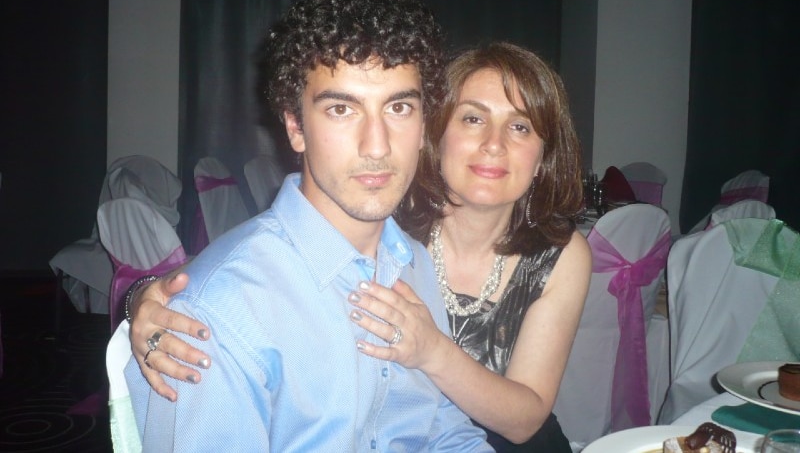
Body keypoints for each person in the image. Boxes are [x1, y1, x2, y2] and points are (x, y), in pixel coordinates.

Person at [130, 42, 592, 451]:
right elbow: (240, 276)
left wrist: (433, 350)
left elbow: (449, 427)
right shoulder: (388, 210)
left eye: (520, 127)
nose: (494, 145)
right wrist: (146, 298)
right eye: (473, 118)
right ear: (440, 132)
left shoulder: (404, 251)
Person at [122, 0, 492, 452]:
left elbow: (443, 430)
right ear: (295, 128)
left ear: (423, 124)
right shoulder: (217, 316)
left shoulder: (413, 263)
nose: (377, 145)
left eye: (398, 108)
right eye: (342, 109)